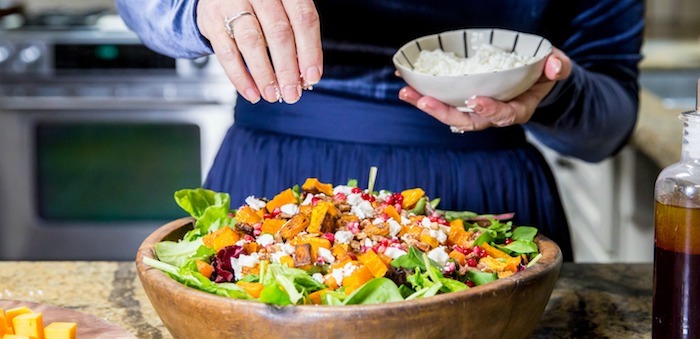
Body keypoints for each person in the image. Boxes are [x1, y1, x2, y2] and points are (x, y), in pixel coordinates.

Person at [115, 1, 645, 261]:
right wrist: (200, 7)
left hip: (487, 192)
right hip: (272, 175)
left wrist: (554, 89)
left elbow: (608, 126)